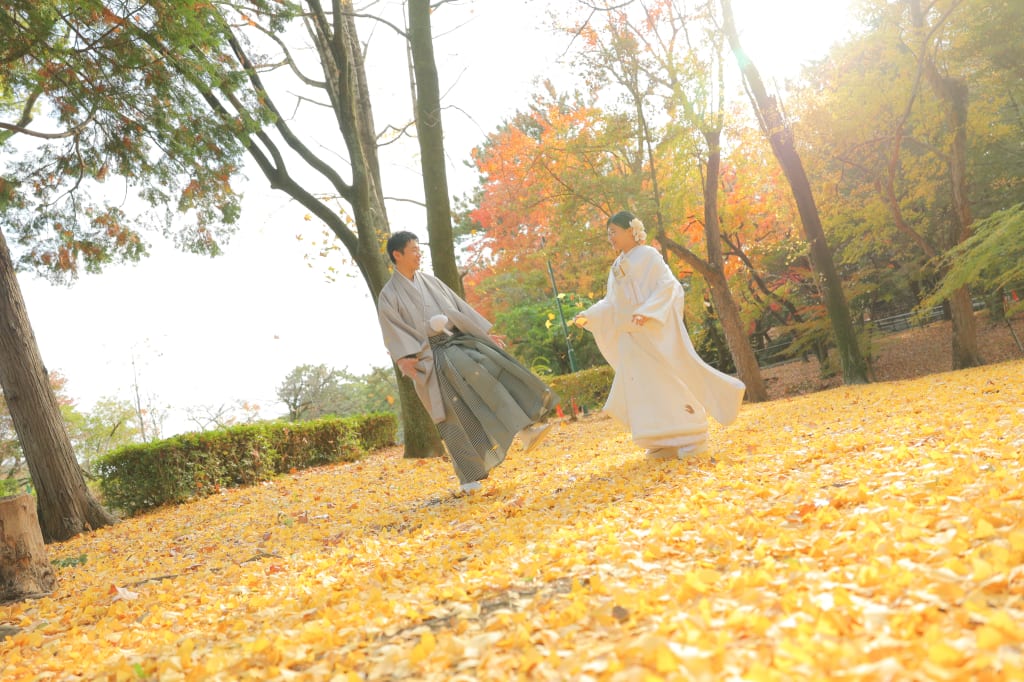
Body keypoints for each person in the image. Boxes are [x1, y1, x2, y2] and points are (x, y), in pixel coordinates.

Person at [377, 231, 558, 493]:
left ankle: (525, 427)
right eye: (414, 250)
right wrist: (404, 359)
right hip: (429, 358)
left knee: (492, 370)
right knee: (454, 416)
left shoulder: (431, 281)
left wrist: (484, 335)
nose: (419, 254)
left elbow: (459, 308)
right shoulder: (389, 295)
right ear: (397, 254)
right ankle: (469, 477)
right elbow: (393, 331)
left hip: (455, 344)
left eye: (419, 249)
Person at [573, 211, 746, 460]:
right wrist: (590, 315)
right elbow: (612, 303)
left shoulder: (649, 256)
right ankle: (660, 440)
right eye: (608, 234)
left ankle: (692, 436)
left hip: (652, 334)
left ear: (630, 230)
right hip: (632, 340)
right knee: (645, 390)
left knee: (669, 382)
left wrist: (648, 312)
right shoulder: (616, 266)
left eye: (614, 232)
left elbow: (668, 285)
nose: (610, 238)